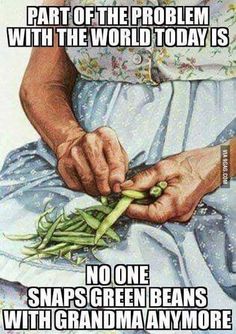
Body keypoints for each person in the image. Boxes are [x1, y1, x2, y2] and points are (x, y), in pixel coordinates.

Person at [0, 0, 235, 331]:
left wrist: (219, 165)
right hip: (78, 183)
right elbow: (42, 82)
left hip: (221, 179)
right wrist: (68, 141)